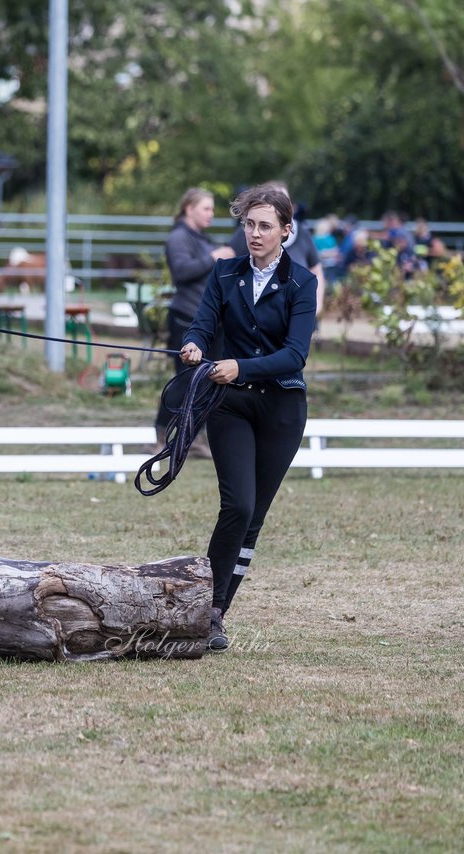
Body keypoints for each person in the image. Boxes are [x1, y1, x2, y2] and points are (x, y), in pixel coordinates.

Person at [179, 185, 318, 652]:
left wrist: (241, 365)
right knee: (237, 505)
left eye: (264, 226)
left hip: (281, 407)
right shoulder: (224, 273)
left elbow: (294, 355)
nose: (254, 234)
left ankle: (216, 613)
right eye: (248, 225)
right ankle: (208, 608)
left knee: (254, 517)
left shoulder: (303, 284)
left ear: (286, 231)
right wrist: (196, 343)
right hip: (232, 404)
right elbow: (203, 320)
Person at [157, 187, 235, 458]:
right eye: (206, 208)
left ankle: (194, 437)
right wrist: (213, 258)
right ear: (189, 209)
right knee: (185, 380)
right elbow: (181, 272)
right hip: (186, 318)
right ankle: (161, 435)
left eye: (212, 209)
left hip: (210, 321)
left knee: (209, 382)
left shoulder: (200, 237)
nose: (211, 214)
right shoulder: (179, 237)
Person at [229, 182, 326, 314]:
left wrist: (316, 304)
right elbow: (225, 262)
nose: (255, 234)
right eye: (250, 224)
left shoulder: (303, 234)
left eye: (283, 201)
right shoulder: (246, 233)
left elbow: (316, 271)